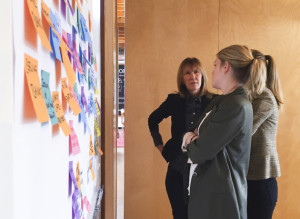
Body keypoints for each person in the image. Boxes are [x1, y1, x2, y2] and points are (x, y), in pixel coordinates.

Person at [182, 45, 255, 219]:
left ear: (226, 66)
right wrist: (192, 138)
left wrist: (190, 141)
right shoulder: (224, 101)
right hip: (212, 197)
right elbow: (196, 133)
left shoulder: (235, 105)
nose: (212, 71)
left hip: (221, 203)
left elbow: (200, 151)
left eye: (215, 65)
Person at [148, 57, 213, 219]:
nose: (193, 76)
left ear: (202, 75)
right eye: (188, 73)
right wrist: (160, 146)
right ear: (182, 79)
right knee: (179, 215)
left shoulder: (214, 101)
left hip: (204, 172)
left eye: (196, 71)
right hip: (177, 171)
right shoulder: (174, 100)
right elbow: (152, 120)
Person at [246, 49, 283, 219]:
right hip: (252, 179)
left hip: (261, 181)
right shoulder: (252, 97)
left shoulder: (264, 97)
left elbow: (244, 131)